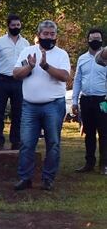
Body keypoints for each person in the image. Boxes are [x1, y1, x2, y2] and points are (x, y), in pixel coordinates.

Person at [13, 20, 71, 190]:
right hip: (30, 106)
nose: (49, 37)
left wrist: (45, 66)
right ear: (39, 35)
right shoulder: (27, 51)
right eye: (45, 34)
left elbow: (64, 76)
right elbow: (16, 74)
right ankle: (25, 178)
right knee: (26, 143)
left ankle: (48, 178)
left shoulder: (61, 54)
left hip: (53, 105)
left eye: (52, 34)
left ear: (56, 36)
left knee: (53, 143)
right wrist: (30, 66)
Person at [0, 14, 30, 150]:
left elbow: (27, 63)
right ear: (8, 26)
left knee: (18, 112)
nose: (16, 27)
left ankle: (15, 140)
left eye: (18, 25)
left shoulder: (25, 43)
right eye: (13, 25)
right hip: (1, 80)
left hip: (19, 81)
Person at [72, 28, 106, 175]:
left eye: (98, 38)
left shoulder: (105, 57)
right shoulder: (82, 59)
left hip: (102, 100)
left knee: (104, 132)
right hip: (86, 100)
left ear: (102, 40)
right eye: (92, 38)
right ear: (88, 40)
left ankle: (104, 165)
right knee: (89, 132)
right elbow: (77, 80)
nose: (95, 41)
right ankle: (89, 163)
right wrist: (74, 100)